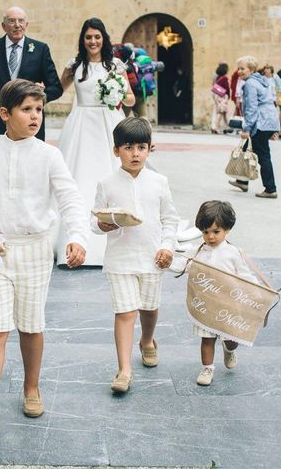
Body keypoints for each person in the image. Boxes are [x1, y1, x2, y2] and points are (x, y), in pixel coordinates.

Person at [0, 79, 88, 433]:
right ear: (4, 113)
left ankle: (32, 388)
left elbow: (70, 199)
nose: (35, 116)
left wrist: (76, 237)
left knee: (31, 326)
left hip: (35, 249)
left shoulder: (49, 154)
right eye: (26, 109)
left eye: (39, 110)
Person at [91, 117, 178, 393]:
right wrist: (101, 225)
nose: (136, 153)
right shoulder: (106, 184)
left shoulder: (160, 181)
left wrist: (167, 247)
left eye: (142, 147)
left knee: (148, 309)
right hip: (120, 259)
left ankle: (148, 340)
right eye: (128, 147)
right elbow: (94, 220)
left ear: (150, 149)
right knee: (125, 312)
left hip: (152, 257)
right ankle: (124, 370)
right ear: (116, 151)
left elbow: (170, 219)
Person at [54, 17, 135, 266]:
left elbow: (131, 99)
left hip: (108, 122)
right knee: (77, 176)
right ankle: (72, 240)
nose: (92, 41)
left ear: (104, 39)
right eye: (88, 37)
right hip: (80, 124)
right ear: (83, 39)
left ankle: (116, 240)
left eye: (97, 37)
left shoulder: (115, 66)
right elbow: (57, 89)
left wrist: (118, 91)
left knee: (110, 172)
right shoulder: (75, 65)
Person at [189, 201, 258, 386]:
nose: (210, 237)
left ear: (227, 229)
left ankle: (229, 349)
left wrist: (256, 290)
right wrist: (167, 263)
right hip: (206, 306)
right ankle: (207, 368)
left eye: (216, 231)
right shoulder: (197, 252)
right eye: (205, 232)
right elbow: (185, 266)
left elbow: (245, 275)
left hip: (230, 306)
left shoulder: (233, 253)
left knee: (231, 340)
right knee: (207, 338)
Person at [0, 6, 63, 142]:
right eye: (11, 21)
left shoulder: (40, 49)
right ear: (3, 26)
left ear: (26, 25)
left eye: (21, 21)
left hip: (30, 125)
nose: (17, 25)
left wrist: (38, 96)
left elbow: (56, 88)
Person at [229, 55, 280, 199]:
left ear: (251, 70)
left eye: (242, 68)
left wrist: (246, 129)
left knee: (263, 155)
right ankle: (242, 180)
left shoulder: (250, 84)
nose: (239, 71)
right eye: (238, 68)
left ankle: (270, 189)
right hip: (268, 121)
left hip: (260, 122)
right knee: (247, 148)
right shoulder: (262, 81)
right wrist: (274, 128)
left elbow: (251, 108)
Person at [211, 63, 230, 134]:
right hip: (222, 96)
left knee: (224, 112)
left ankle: (227, 127)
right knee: (221, 112)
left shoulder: (218, 77)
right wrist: (228, 96)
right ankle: (216, 127)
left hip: (217, 96)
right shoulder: (225, 78)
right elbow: (227, 88)